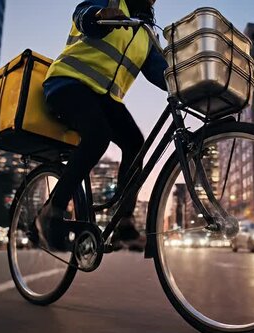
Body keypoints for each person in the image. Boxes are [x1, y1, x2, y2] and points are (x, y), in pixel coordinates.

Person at [35, 0, 167, 251]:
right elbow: (83, 16)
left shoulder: (146, 32)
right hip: (67, 84)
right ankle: (52, 209)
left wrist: (188, 80)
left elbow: (160, 72)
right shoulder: (111, 2)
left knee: (135, 144)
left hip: (105, 98)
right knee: (98, 137)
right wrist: (99, 16)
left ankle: (124, 223)